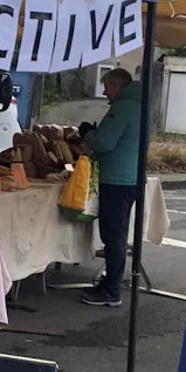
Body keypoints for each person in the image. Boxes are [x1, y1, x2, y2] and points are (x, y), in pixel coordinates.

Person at [80, 67, 143, 308]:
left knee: (113, 234)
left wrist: (89, 134)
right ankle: (110, 283)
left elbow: (106, 142)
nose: (105, 92)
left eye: (107, 86)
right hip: (132, 177)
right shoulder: (139, 105)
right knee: (118, 233)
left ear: (118, 86)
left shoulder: (124, 106)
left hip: (117, 178)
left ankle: (111, 289)